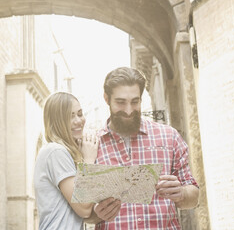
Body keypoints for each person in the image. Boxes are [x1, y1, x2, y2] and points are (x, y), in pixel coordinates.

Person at [89, 67, 199, 229]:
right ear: (107, 98)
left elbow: (194, 196)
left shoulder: (169, 137)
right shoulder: (91, 146)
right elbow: (84, 213)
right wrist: (96, 214)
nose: (128, 110)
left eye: (135, 102)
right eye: (120, 102)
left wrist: (181, 193)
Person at [34, 92, 99, 229]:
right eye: (70, 117)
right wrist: (88, 159)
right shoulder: (55, 151)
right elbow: (83, 207)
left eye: (80, 114)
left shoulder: (64, 153)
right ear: (57, 121)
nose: (78, 121)